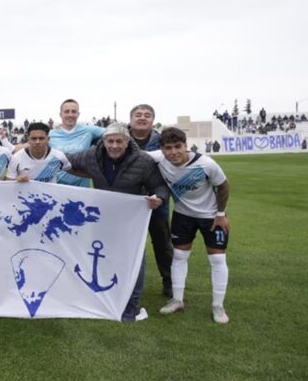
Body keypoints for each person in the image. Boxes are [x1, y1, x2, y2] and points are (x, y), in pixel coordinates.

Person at [66, 122, 169, 322]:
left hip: (131, 221)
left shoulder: (143, 161)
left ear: (127, 141)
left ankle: (131, 304)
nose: (114, 146)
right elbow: (64, 161)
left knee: (135, 260)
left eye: (119, 141)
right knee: (103, 258)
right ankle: (105, 297)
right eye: (110, 141)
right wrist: (29, 150)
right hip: (102, 218)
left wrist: (160, 198)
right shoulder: (91, 156)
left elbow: (159, 186)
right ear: (103, 142)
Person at [149, 127, 232, 324]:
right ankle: (177, 300)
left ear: (186, 145)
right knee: (178, 257)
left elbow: (223, 185)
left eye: (178, 146)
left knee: (218, 260)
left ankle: (218, 306)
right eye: (168, 148)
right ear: (161, 149)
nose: (174, 152)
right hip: (183, 215)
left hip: (211, 217)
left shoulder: (205, 164)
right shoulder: (158, 158)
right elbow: (133, 154)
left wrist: (221, 214)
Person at [129, 104, 174, 297]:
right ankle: (125, 281)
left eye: (147, 115)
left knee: (162, 242)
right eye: (138, 115)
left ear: (153, 120)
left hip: (157, 200)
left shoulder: (162, 140)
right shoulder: (120, 138)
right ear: (130, 119)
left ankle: (170, 281)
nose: (142, 118)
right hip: (128, 200)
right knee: (126, 243)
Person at [48, 99, 105, 187]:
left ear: (78, 114)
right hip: (57, 188)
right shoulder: (50, 134)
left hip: (82, 189)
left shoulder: (88, 130)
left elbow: (114, 133)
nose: (70, 115)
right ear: (60, 114)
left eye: (73, 112)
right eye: (66, 112)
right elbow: (30, 147)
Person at [6, 122, 71, 183]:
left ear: (48, 139)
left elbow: (69, 170)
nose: (37, 142)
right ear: (28, 139)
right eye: (34, 138)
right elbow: (8, 182)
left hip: (50, 195)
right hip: (25, 195)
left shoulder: (59, 156)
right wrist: (16, 180)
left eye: (41, 138)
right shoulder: (17, 158)